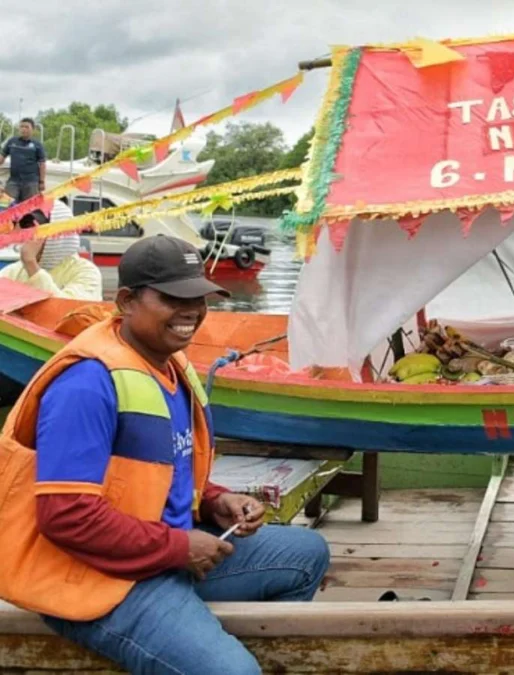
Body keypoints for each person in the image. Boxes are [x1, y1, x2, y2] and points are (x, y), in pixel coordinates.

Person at [0, 235, 330, 674]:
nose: (191, 311)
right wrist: (178, 547)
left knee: (305, 555)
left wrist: (215, 501)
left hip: (159, 555)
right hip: (98, 580)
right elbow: (65, 514)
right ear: (127, 301)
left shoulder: (168, 364)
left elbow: (162, 469)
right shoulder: (87, 383)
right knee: (233, 673)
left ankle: (178, 646)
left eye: (199, 297)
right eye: (172, 298)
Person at [0, 199, 102, 300]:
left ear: (59, 234)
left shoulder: (86, 272)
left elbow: (68, 310)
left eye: (37, 230)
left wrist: (32, 266)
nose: (29, 236)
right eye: (27, 228)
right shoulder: (14, 272)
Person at [1, 118, 47, 201]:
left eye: (26, 127)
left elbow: (42, 164)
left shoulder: (37, 145)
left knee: (30, 208)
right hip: (13, 181)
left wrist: (42, 182)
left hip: (31, 182)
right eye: (21, 127)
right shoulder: (12, 141)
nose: (23, 129)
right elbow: (2, 156)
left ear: (33, 129)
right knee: (4, 205)